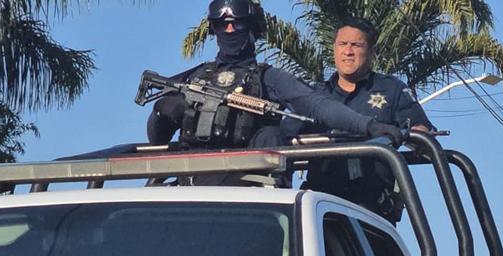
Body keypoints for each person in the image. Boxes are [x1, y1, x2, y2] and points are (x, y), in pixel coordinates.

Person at [146, 1, 404, 150]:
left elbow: (318, 106)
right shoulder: (195, 77)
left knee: (271, 136)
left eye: (238, 24)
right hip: (190, 187)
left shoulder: (270, 79)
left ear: (253, 29)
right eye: (223, 25)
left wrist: (369, 126)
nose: (230, 29)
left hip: (250, 191)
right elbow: (156, 139)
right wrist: (164, 112)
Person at [286, 17, 434, 220]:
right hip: (321, 209)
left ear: (372, 52)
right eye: (342, 44)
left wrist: (416, 137)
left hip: (372, 212)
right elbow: (285, 136)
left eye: (356, 45)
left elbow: (421, 133)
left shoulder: (392, 89)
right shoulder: (315, 96)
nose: (348, 51)